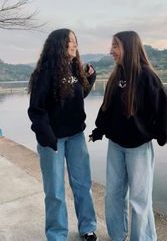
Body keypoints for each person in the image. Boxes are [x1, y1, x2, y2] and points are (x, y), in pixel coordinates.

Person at [89, 31, 167, 241]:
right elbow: (107, 109)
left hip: (139, 148)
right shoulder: (115, 77)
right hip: (116, 146)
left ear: (128, 48)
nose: (111, 51)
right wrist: (99, 130)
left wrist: (159, 135)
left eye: (115, 46)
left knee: (139, 199)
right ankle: (117, 236)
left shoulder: (146, 76)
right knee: (113, 195)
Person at [28, 28, 97, 241]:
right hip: (53, 140)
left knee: (82, 184)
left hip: (76, 136)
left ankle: (87, 228)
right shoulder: (44, 73)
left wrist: (90, 80)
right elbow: (36, 110)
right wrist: (47, 137)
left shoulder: (75, 69)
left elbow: (77, 97)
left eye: (76, 41)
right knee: (55, 191)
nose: (75, 45)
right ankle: (57, 235)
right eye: (70, 42)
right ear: (59, 45)